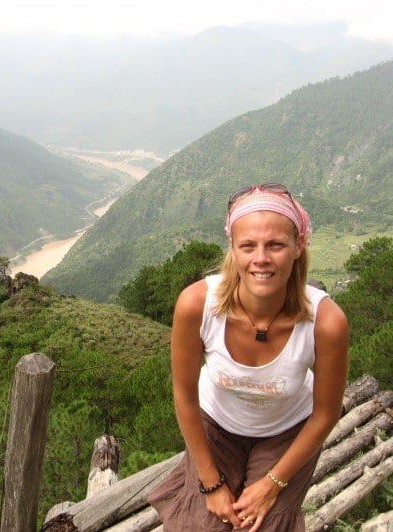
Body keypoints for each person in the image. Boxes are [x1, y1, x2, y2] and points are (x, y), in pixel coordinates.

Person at [147, 183, 349, 531]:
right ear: (233, 249)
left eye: (275, 245)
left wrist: (273, 485)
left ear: (299, 246)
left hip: (289, 431)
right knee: (203, 524)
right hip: (217, 425)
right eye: (248, 246)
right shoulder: (198, 305)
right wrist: (210, 484)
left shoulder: (327, 322)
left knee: (264, 524)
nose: (261, 259)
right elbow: (185, 395)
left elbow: (326, 413)